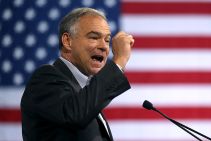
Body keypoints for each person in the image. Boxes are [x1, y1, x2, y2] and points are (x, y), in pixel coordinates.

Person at [20, 7, 134, 141]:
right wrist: (118, 62)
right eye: (94, 37)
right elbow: (75, 114)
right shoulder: (45, 79)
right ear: (67, 41)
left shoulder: (85, 91)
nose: (104, 46)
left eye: (107, 40)